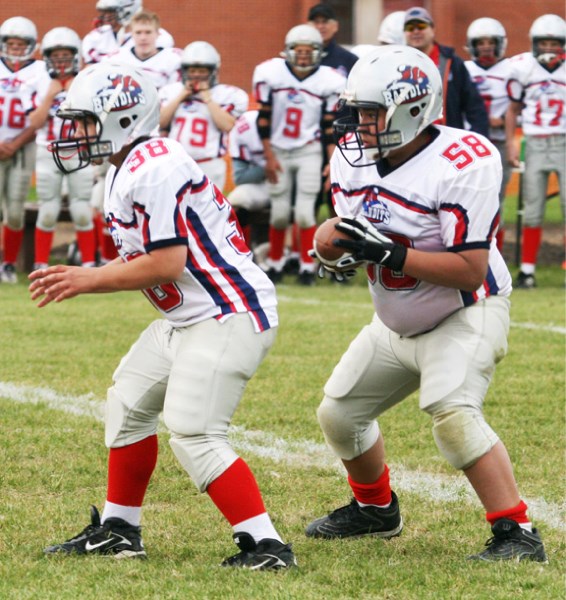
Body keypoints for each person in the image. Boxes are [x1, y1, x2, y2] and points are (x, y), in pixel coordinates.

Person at [29, 62, 296, 570]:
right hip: (191, 317)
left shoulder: (154, 165)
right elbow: (149, 255)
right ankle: (120, 529)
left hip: (226, 312)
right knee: (127, 404)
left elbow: (166, 263)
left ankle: (266, 546)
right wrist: (91, 273)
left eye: (86, 121)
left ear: (122, 118)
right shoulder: (131, 164)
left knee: (194, 430)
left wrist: (87, 278)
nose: (77, 133)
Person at [306, 45, 547, 563]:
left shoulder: (466, 158)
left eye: (372, 112)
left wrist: (387, 251)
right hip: (395, 318)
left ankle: (516, 532)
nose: (360, 124)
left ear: (411, 108)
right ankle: (375, 511)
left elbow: (469, 268)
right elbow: (350, 240)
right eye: (358, 112)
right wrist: (334, 249)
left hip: (463, 311)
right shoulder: (351, 157)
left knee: (454, 415)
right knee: (340, 414)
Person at [82, 0, 175, 266]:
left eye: (148, 32)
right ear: (130, 34)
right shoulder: (116, 60)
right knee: (107, 194)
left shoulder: (172, 59)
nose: (143, 38)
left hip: (154, 139)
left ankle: (150, 251)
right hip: (117, 137)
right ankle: (112, 256)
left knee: (151, 196)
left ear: (158, 33)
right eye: (139, 32)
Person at [252, 24, 345, 285]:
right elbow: (264, 119)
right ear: (289, 51)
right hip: (279, 151)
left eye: (308, 50)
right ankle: (276, 264)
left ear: (318, 52)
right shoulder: (271, 73)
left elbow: (329, 127)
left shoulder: (329, 80)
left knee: (305, 212)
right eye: (298, 50)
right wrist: (268, 156)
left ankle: (307, 267)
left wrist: (330, 162)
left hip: (309, 150)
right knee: (279, 213)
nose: (303, 55)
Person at [505, 14, 566, 288]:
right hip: (535, 142)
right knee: (532, 209)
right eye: (545, 43)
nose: (550, 48)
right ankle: (527, 271)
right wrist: (511, 141)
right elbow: (513, 108)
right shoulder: (521, 67)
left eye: (555, 43)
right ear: (534, 44)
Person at [30, 27, 97, 271]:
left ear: (75, 57)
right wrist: (49, 96)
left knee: (81, 210)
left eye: (65, 57)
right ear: (47, 58)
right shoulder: (39, 82)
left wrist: (72, 93)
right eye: (55, 57)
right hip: (48, 151)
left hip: (79, 151)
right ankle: (40, 265)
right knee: (48, 210)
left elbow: (95, 118)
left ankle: (89, 265)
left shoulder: (86, 81)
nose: (60, 62)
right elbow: (34, 123)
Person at [0, 16, 51, 283]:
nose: (17, 48)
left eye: (22, 44)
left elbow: (43, 114)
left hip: (26, 144)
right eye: (12, 43)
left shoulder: (41, 71)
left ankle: (8, 264)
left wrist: (17, 142)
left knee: (16, 209)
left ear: (32, 45)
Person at [159, 41, 248, 192]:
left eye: (202, 71)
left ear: (213, 71)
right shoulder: (171, 92)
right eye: (192, 70)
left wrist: (207, 99)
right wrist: (180, 98)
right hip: (176, 163)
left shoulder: (225, 95)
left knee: (209, 213)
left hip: (209, 165)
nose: (196, 75)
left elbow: (228, 126)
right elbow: (160, 123)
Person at [465, 18, 513, 252]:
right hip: (469, 147)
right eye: (480, 42)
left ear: (500, 43)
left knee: (496, 202)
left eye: (490, 41)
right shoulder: (464, 68)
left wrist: (503, 121)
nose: (485, 46)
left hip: (498, 142)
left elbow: (523, 104)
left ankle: (496, 255)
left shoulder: (513, 69)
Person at [404, 7, 489, 137]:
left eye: (421, 26)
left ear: (433, 29)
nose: (416, 31)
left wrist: (479, 136)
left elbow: (474, 106)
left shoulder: (452, 62)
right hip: (411, 138)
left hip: (446, 138)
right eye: (410, 28)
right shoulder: (399, 63)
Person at [227, 109, 270, 251]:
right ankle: (241, 249)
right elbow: (240, 177)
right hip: (263, 183)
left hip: (290, 182)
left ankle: (290, 252)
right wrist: (268, 168)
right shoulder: (244, 129)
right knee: (236, 200)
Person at [82, 0, 174, 65]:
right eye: (104, 12)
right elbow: (90, 72)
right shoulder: (95, 37)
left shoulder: (160, 37)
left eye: (111, 11)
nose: (107, 16)